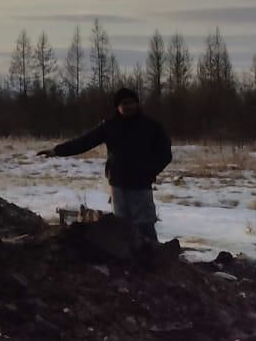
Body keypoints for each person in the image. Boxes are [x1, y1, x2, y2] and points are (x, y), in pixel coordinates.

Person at [37, 88, 172, 242]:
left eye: (131, 103)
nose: (128, 106)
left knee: (145, 225)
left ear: (137, 104)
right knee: (122, 227)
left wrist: (149, 172)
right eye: (124, 103)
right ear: (117, 106)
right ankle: (127, 262)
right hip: (118, 184)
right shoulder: (110, 126)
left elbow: (165, 154)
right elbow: (85, 141)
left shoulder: (151, 126)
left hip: (140, 185)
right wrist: (57, 151)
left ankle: (153, 260)